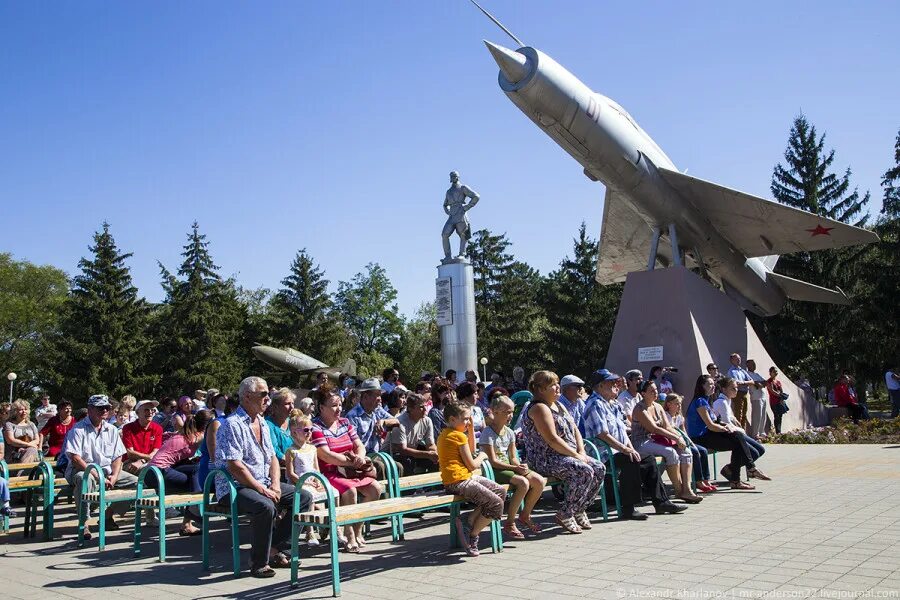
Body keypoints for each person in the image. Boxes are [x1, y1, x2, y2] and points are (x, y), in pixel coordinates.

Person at [214, 377, 309, 578]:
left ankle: (276, 548)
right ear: (247, 397)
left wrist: (275, 484)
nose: (268, 398)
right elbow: (235, 466)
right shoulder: (232, 424)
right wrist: (262, 489)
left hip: (261, 483)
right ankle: (259, 562)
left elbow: (273, 457)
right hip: (234, 486)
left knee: (304, 497)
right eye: (264, 394)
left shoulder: (262, 423)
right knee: (265, 506)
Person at [582, 369, 685, 519]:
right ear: (601, 385)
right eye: (611, 382)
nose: (616, 384)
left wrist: (630, 448)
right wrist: (625, 450)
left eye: (615, 381)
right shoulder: (594, 404)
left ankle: (661, 502)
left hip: (618, 450)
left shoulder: (613, 404)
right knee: (630, 460)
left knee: (647, 458)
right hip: (603, 453)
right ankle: (628, 508)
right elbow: (602, 434)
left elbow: (623, 431)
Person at [521, 370, 605, 534]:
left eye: (557, 383)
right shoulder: (539, 408)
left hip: (566, 454)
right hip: (546, 458)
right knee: (584, 471)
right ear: (540, 389)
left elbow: (575, 429)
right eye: (552, 385)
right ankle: (565, 513)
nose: (558, 387)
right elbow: (552, 439)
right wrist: (576, 456)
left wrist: (581, 451)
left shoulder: (558, 404)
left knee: (599, 468)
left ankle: (579, 509)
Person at [311, 383, 383, 553]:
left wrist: (359, 457)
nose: (338, 409)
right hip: (329, 473)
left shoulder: (345, 423)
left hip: (351, 470)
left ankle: (358, 528)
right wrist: (352, 462)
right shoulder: (315, 427)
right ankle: (349, 534)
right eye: (334, 405)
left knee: (375, 489)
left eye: (340, 404)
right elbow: (326, 455)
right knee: (349, 491)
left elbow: (359, 445)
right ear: (322, 407)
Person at [437, 400, 505, 557]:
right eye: (465, 419)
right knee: (496, 504)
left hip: (463, 478)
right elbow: (473, 464)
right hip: (458, 481)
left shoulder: (448, 433)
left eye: (469, 419)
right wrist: (483, 455)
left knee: (500, 491)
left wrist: (471, 428)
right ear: (452, 419)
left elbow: (470, 449)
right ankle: (473, 535)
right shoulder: (457, 436)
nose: (467, 422)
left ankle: (468, 519)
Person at [66, 394, 138, 538]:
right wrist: (98, 476)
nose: (105, 410)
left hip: (106, 470)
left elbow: (118, 456)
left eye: (107, 408)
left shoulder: (111, 429)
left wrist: (115, 476)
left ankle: (107, 515)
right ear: (90, 409)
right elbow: (75, 458)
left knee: (136, 483)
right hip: (82, 469)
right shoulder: (78, 429)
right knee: (83, 479)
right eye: (100, 408)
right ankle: (84, 524)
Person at [479, 395, 546, 538]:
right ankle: (510, 523)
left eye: (511, 412)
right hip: (494, 470)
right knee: (523, 483)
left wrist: (519, 465)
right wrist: (515, 469)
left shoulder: (509, 432)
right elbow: (492, 461)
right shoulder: (488, 433)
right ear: (495, 412)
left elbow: (513, 457)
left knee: (539, 481)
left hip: (509, 468)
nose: (510, 416)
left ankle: (525, 515)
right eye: (506, 412)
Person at [685, 376, 767, 489]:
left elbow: (715, 421)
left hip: (708, 435)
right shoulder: (700, 401)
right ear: (702, 386)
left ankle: (740, 478)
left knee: (737, 439)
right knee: (737, 439)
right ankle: (746, 472)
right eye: (709, 384)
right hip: (700, 438)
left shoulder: (706, 400)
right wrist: (727, 429)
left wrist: (726, 426)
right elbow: (711, 426)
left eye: (713, 383)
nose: (713, 386)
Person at [631, 381, 702, 504]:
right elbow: (654, 428)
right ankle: (679, 490)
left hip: (656, 440)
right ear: (643, 393)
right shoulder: (640, 408)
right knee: (670, 452)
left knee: (686, 451)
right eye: (651, 391)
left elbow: (668, 426)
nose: (655, 393)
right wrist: (676, 438)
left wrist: (680, 438)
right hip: (641, 442)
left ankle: (687, 489)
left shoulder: (658, 406)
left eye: (656, 390)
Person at [148, 409, 214, 536]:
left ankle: (187, 523)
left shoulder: (186, 434)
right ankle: (195, 510)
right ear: (207, 426)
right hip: (158, 473)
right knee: (196, 471)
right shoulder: (197, 436)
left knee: (193, 474)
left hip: (154, 472)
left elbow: (176, 457)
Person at [285, 409, 338, 546]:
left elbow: (316, 469)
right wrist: (305, 482)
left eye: (310, 430)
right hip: (300, 482)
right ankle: (310, 531)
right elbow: (291, 473)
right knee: (309, 496)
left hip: (313, 480)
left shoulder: (313, 448)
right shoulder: (291, 451)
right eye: (306, 430)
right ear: (295, 432)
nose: (309, 433)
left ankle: (336, 527)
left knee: (334, 492)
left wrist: (319, 480)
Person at [711, 379, 769, 473]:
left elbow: (731, 419)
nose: (736, 390)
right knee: (754, 452)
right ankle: (731, 471)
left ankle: (730, 469)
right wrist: (742, 430)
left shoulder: (727, 401)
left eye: (736, 388)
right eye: (733, 388)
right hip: (724, 435)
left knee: (760, 449)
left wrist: (737, 423)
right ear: (724, 389)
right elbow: (727, 424)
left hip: (733, 433)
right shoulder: (722, 402)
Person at [663, 394, 716, 492]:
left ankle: (705, 479)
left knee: (702, 450)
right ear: (669, 404)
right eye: (676, 404)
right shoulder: (666, 416)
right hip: (672, 443)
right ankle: (698, 481)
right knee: (694, 453)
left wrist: (690, 442)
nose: (679, 406)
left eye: (680, 404)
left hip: (682, 441)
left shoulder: (679, 417)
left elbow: (684, 432)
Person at [345, 378, 399, 457]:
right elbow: (352, 444)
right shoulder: (353, 416)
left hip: (377, 455)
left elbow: (396, 421)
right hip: (361, 457)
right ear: (366, 397)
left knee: (398, 466)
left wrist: (383, 421)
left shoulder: (377, 410)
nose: (380, 399)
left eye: (380, 395)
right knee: (380, 466)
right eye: (377, 395)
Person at [388, 393, 439, 476]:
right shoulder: (400, 422)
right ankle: (410, 489)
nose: (425, 409)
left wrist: (435, 453)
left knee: (437, 461)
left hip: (412, 452)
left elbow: (430, 444)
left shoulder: (427, 420)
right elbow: (402, 450)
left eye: (426, 406)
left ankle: (432, 488)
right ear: (410, 409)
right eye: (421, 407)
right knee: (407, 461)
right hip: (393, 454)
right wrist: (428, 454)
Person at [198, 394, 239, 490]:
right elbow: (214, 459)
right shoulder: (217, 424)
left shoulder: (241, 424)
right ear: (233, 408)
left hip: (233, 471)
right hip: (213, 474)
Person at [441, 170, 481, 260]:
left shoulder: (463, 188)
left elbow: (476, 196)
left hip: (461, 213)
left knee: (463, 234)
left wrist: (466, 207)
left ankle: (462, 254)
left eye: (454, 176)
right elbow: (444, 204)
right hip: (452, 215)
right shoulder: (448, 191)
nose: (453, 178)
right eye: (451, 176)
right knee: (444, 234)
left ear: (458, 177)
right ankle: (447, 256)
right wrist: (448, 211)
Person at [121, 400, 163, 474]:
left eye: (152, 410)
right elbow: (130, 453)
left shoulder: (158, 428)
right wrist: (147, 458)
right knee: (153, 470)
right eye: (146, 410)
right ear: (137, 413)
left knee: (157, 468)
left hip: (148, 461)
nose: (150, 412)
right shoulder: (128, 428)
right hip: (130, 462)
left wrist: (142, 460)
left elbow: (155, 451)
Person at [4, 399, 42, 465]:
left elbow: (37, 440)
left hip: (31, 454)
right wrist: (28, 445)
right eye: (21, 410)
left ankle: (21, 473)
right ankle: (21, 472)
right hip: (14, 456)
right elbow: (10, 440)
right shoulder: (9, 424)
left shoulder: (31, 424)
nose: (24, 411)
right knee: (32, 449)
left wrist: (28, 447)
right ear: (15, 411)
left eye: (26, 409)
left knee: (32, 450)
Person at [265, 387, 295, 465]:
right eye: (287, 404)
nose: (292, 407)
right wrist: (293, 462)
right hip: (279, 468)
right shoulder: (268, 424)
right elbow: (274, 451)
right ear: (275, 406)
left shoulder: (293, 422)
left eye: (293, 403)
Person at [727, 353, 754, 429]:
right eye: (737, 359)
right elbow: (736, 383)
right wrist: (744, 383)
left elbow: (752, 382)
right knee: (739, 413)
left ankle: (743, 431)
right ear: (732, 360)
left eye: (739, 358)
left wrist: (744, 382)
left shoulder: (742, 370)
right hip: (737, 394)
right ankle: (739, 431)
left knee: (744, 414)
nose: (739, 360)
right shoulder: (731, 371)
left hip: (745, 393)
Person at [745, 360, 768, 440]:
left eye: (754, 364)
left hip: (763, 396)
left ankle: (762, 432)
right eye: (752, 364)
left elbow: (765, 382)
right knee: (757, 416)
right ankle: (755, 434)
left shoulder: (757, 374)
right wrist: (759, 383)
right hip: (756, 397)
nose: (754, 365)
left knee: (763, 416)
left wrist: (760, 383)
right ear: (748, 365)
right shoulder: (747, 374)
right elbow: (755, 384)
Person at [766, 367, 786, 434]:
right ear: (770, 373)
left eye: (776, 371)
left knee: (780, 416)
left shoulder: (778, 382)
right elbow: (772, 391)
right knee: (776, 416)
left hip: (780, 401)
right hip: (773, 402)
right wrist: (780, 395)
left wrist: (782, 398)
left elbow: (781, 391)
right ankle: (777, 432)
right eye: (774, 372)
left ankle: (779, 431)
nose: (776, 373)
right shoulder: (769, 381)